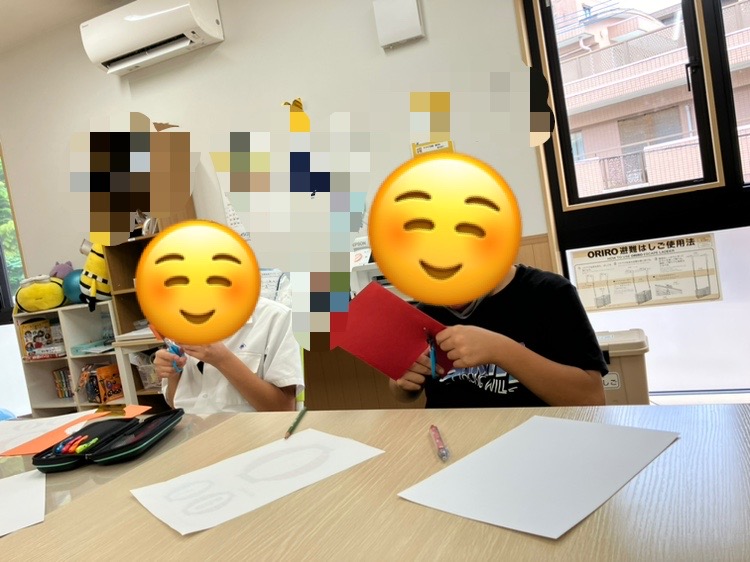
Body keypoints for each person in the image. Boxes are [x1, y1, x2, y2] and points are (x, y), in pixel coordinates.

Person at [389, 264, 608, 408]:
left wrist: (499, 349)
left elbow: (591, 398)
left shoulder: (550, 293)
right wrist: (402, 384)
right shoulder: (423, 312)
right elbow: (403, 392)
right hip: (449, 445)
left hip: (535, 443)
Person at [154, 296, 304, 414]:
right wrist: (173, 373)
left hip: (251, 433)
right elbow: (176, 404)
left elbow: (284, 409)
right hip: (191, 430)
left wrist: (222, 359)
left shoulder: (276, 317)